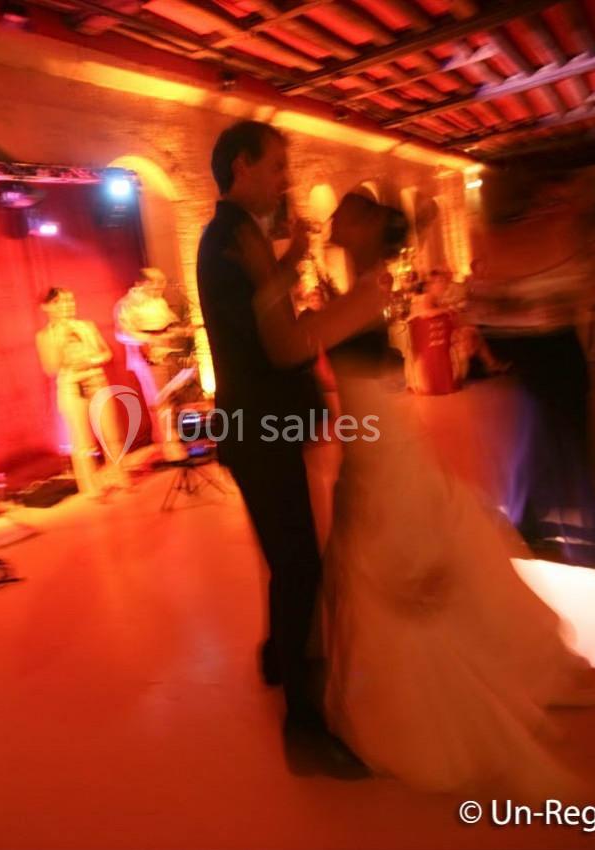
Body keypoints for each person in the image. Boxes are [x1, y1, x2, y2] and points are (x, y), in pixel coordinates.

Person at [319, 192, 595, 797]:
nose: (334, 217)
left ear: (368, 228)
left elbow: (292, 343)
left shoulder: (366, 289)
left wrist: (273, 285)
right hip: (368, 432)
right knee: (389, 551)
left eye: (347, 210)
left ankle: (437, 697)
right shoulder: (357, 281)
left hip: (378, 438)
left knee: (406, 556)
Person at [195, 120, 386, 776]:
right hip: (257, 426)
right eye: (277, 166)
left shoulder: (236, 231)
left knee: (288, 553)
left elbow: (260, 302)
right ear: (242, 166)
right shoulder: (229, 236)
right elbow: (273, 336)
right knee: (300, 563)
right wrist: (331, 308)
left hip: (258, 424)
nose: (285, 179)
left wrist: (290, 255)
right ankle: (303, 729)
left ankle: (278, 654)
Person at [469, 168, 595, 570]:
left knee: (537, 445)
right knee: (561, 446)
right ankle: (587, 539)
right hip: (555, 354)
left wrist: (505, 327)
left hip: (535, 359)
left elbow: (484, 306)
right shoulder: (555, 232)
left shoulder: (502, 240)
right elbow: (588, 288)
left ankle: (537, 527)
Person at [35, 288, 129, 498]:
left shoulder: (87, 326)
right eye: (60, 302)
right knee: (82, 440)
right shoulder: (44, 335)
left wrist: (91, 361)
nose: (67, 305)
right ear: (47, 307)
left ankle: (118, 476)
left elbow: (106, 353)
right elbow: (51, 368)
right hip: (71, 385)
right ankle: (91, 487)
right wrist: (60, 340)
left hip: (96, 379)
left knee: (110, 433)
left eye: (70, 300)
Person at [114, 268, 193, 462]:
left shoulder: (158, 301)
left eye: (162, 283)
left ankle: (166, 439)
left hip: (166, 353)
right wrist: (149, 339)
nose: (160, 287)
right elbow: (122, 333)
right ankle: (169, 445)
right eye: (156, 283)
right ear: (142, 283)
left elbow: (168, 325)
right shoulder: (126, 305)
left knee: (170, 396)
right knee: (160, 400)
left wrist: (181, 332)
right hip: (147, 357)